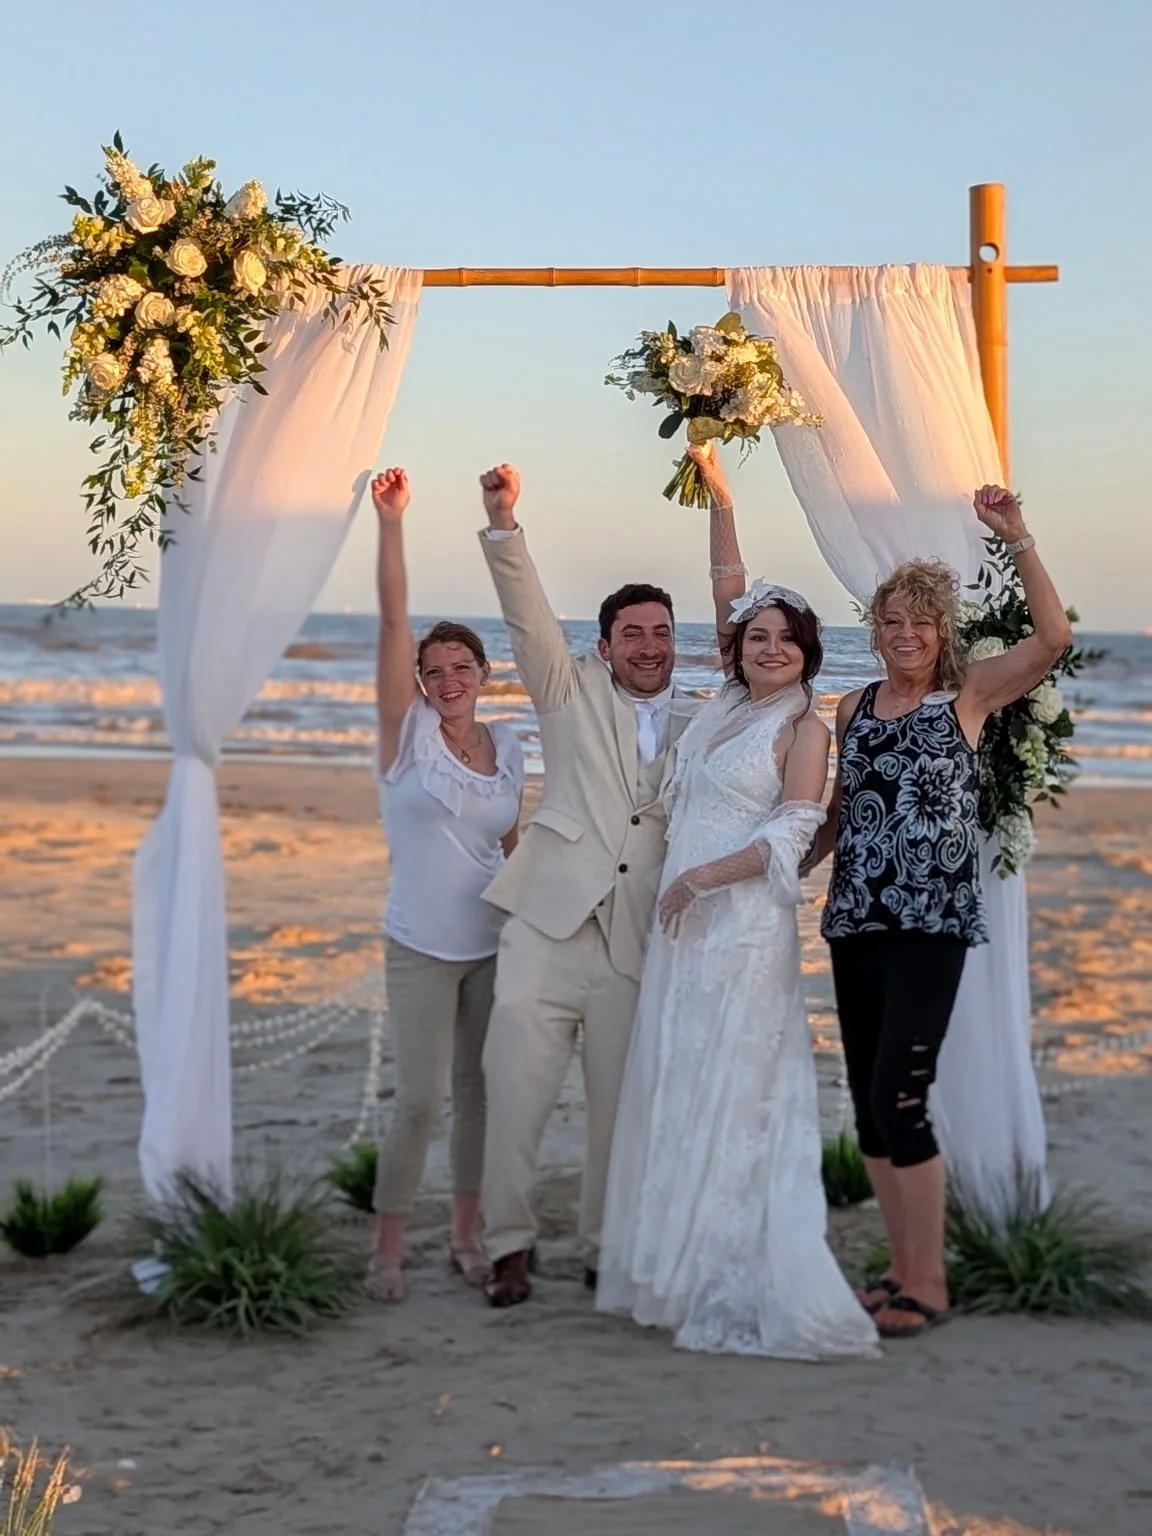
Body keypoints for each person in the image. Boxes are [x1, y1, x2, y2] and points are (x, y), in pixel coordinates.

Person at [596, 444, 878, 1359]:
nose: (765, 647)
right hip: (688, 926)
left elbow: (797, 834)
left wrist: (699, 878)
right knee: (679, 1078)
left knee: (732, 1088)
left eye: (782, 640)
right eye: (755, 637)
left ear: (805, 655)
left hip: (742, 923)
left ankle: (729, 1264)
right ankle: (669, 1266)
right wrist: (719, 492)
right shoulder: (724, 705)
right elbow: (729, 583)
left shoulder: (801, 727)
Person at [809, 485, 1073, 1340]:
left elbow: (1054, 639)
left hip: (930, 926)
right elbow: (844, 813)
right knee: (868, 1105)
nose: (907, 635)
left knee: (901, 1096)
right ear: (877, 630)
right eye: (893, 622)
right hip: (857, 920)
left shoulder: (966, 699)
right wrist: (783, 865)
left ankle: (932, 1280)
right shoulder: (851, 708)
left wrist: (1018, 538)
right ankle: (897, 1267)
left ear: (942, 631)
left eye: (922, 622)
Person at [475, 462, 699, 1307]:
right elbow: (527, 617)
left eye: (661, 633)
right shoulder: (568, 692)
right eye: (632, 633)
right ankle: (507, 1247)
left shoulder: (704, 720)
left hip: (636, 938)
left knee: (619, 1108)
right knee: (516, 1095)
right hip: (546, 924)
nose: (649, 646)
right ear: (604, 646)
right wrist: (503, 525)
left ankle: (605, 1249)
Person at [367, 467, 525, 1303]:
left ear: (484, 673)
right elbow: (394, 620)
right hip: (421, 948)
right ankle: (387, 1249)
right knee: (421, 1100)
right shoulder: (405, 740)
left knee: (483, 1097)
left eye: (462, 666)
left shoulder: (509, 746)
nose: (448, 679)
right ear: (422, 682)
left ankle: (466, 1239)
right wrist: (393, 523)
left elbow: (508, 840)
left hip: (491, 946)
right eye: (435, 671)